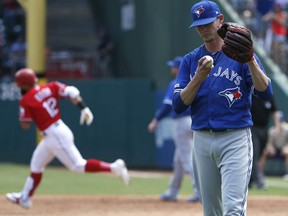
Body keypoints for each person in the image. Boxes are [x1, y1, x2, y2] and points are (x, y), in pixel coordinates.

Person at [172, 1, 273, 215]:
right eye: (199, 25)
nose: (204, 29)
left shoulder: (241, 55)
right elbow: (179, 105)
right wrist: (198, 77)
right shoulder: (191, 60)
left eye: (208, 23)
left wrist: (251, 60)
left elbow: (266, 92)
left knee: (233, 209)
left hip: (235, 137)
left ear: (220, 20)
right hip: (201, 139)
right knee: (211, 211)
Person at [6, 68, 130, 209]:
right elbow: (72, 92)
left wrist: (23, 110)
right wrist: (83, 108)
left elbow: (25, 125)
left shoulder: (26, 100)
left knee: (78, 165)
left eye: (21, 85)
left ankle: (114, 168)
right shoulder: (51, 86)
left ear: (25, 84)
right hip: (56, 132)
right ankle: (25, 198)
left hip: (54, 135)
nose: (20, 88)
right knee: (36, 165)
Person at [147, 56, 199, 203]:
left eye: (173, 66)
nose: (172, 69)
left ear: (178, 68)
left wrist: (155, 121)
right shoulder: (193, 81)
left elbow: (167, 106)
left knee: (187, 159)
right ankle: (173, 191)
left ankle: (199, 191)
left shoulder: (176, 82)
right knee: (179, 160)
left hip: (181, 123)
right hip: (194, 122)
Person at [249, 94, 281, 189]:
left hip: (264, 129)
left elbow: (275, 112)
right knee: (254, 153)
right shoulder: (250, 94)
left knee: (259, 154)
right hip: (252, 128)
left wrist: (278, 127)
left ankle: (249, 181)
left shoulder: (268, 95)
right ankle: (259, 181)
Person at [261, 111, 288, 180]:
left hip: (284, 149)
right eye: (277, 119)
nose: (279, 121)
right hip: (275, 150)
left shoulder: (286, 129)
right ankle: (260, 174)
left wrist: (286, 147)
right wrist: (270, 147)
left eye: (280, 119)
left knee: (287, 152)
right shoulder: (272, 130)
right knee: (264, 152)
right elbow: (269, 143)